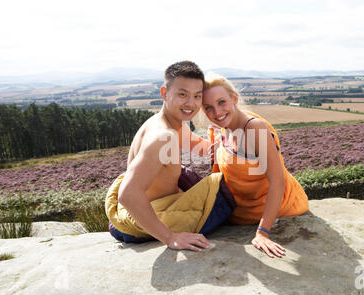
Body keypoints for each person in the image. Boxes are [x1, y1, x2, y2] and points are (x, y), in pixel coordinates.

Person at [109, 61, 223, 252]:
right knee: (225, 191)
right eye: (182, 94)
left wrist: (226, 137)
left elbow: (206, 150)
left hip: (143, 213)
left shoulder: (173, 125)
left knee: (188, 176)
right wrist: (170, 238)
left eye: (197, 96)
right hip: (142, 222)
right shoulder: (163, 135)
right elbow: (127, 194)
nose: (191, 103)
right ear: (164, 93)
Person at [202, 73, 309, 258]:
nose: (217, 112)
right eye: (208, 107)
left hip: (272, 207)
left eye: (221, 102)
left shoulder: (254, 128)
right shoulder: (222, 129)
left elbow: (278, 181)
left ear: (234, 98)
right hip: (235, 211)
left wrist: (262, 233)